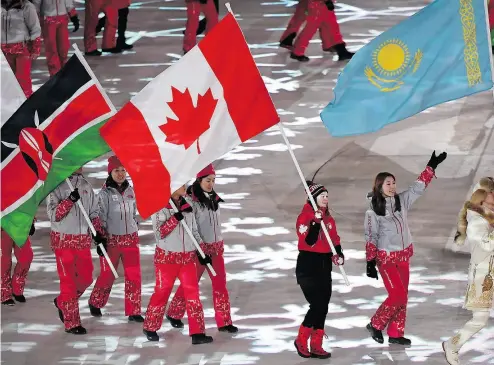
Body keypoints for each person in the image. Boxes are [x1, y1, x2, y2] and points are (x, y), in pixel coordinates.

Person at [365, 151, 447, 345]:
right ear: (379, 186)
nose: (393, 187)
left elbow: (417, 189)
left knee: (403, 296)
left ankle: (395, 333)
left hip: (403, 255)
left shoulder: (401, 201)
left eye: (394, 183)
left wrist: (431, 167)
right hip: (385, 258)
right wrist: (370, 262)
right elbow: (371, 236)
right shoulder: (373, 210)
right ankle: (376, 324)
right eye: (388, 183)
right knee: (397, 295)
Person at [166, 164, 238, 333]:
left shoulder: (214, 198)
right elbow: (192, 227)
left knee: (220, 285)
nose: (211, 184)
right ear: (199, 180)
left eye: (213, 180)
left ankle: (224, 321)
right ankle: (174, 313)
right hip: (199, 250)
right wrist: (200, 248)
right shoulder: (191, 201)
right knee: (190, 285)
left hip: (216, 249)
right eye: (207, 180)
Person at [143, 185, 213, 345]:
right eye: (181, 184)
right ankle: (150, 326)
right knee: (162, 292)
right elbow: (159, 234)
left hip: (187, 258)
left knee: (193, 294)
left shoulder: (188, 203)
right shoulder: (159, 206)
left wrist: (202, 251)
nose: (185, 186)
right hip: (167, 259)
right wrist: (174, 219)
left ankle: (198, 332)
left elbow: (194, 231)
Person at [47, 167, 106, 334]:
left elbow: (93, 212)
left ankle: (63, 302)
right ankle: (72, 322)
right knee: (68, 283)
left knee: (86, 277)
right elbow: (54, 215)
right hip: (63, 241)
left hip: (82, 241)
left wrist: (98, 234)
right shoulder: (56, 186)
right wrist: (69, 200)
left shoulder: (86, 185)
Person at [443, 177, 494, 365]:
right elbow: (486, 246)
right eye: (492, 192)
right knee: (480, 319)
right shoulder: (476, 221)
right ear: (482, 196)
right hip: (483, 276)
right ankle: (452, 345)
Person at [88, 156, 143, 322]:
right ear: (110, 172)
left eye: (123, 170)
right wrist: (100, 237)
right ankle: (95, 302)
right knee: (108, 274)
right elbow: (98, 216)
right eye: (117, 171)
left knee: (134, 275)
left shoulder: (131, 191)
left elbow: (133, 213)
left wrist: (134, 225)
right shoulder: (104, 194)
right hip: (111, 240)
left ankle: (134, 311)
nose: (120, 174)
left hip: (130, 239)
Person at [294, 181, 344, 359]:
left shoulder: (329, 219)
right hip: (308, 266)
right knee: (317, 304)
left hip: (324, 266)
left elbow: (334, 240)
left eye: (327, 196)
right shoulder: (304, 217)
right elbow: (309, 241)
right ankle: (301, 339)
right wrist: (315, 222)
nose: (326, 199)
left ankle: (316, 344)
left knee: (323, 307)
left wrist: (338, 254)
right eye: (322, 196)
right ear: (313, 198)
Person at [280, 0, 353, 62]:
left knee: (330, 24)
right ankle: (297, 51)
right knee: (313, 27)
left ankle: (340, 50)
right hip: (318, 4)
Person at [1, 0, 41, 97]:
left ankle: (26, 108)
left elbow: (35, 28)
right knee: (5, 84)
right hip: (3, 53)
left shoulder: (27, 6)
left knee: (23, 83)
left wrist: (35, 47)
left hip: (21, 51)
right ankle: (10, 109)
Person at [33, 0, 79, 76]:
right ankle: (55, 73)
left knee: (64, 47)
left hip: (62, 18)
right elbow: (36, 4)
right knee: (51, 48)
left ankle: (63, 70)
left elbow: (68, 2)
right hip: (48, 19)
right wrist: (34, 19)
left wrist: (73, 16)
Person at [1, 223, 35, 305]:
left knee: (26, 256)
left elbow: (26, 209)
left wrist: (30, 222)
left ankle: (17, 287)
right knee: (4, 260)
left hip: (19, 224)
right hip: (3, 224)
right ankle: (4, 292)